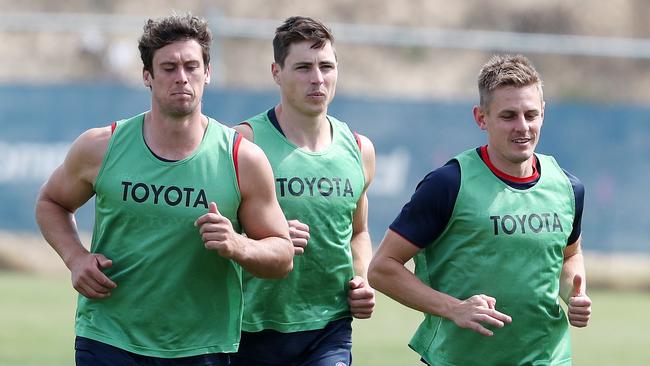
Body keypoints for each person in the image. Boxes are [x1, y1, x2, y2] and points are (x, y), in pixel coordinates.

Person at [34, 13, 294, 366]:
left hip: (202, 346)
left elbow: (282, 255)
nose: (182, 77)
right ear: (147, 76)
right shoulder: (102, 146)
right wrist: (75, 257)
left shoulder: (241, 159)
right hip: (109, 337)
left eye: (191, 66)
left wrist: (238, 244)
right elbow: (51, 202)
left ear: (208, 73)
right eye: (169, 67)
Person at [368, 54, 592, 365]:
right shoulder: (448, 184)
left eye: (531, 114)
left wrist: (574, 295)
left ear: (543, 113)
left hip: (548, 357)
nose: (522, 127)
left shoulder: (569, 187)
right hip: (458, 358)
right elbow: (382, 268)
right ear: (481, 118)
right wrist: (453, 308)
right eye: (508, 115)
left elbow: (569, 255)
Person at [229, 16, 376, 366]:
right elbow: (211, 231)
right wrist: (264, 240)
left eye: (326, 66)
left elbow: (358, 232)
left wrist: (361, 278)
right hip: (247, 328)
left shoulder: (359, 148)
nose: (317, 78)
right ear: (276, 72)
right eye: (303, 67)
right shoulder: (242, 143)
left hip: (328, 328)